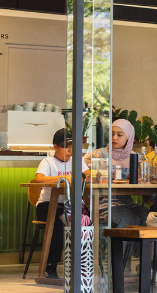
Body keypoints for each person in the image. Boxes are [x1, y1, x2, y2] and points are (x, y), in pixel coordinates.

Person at [33, 128, 91, 279]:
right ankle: (50, 268)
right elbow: (39, 179)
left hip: (70, 206)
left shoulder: (77, 161)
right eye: (66, 146)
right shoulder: (48, 162)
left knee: (86, 219)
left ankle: (81, 267)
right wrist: (66, 177)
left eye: (73, 146)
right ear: (55, 147)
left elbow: (88, 176)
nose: (70, 150)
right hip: (46, 205)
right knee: (61, 220)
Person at [89, 120, 149, 263]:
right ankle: (120, 265)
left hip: (127, 202)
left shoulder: (136, 157)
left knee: (148, 216)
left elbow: (144, 180)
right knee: (127, 218)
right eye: (112, 134)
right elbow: (83, 170)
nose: (114, 138)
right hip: (104, 203)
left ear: (128, 137)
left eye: (119, 135)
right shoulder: (100, 154)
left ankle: (146, 265)